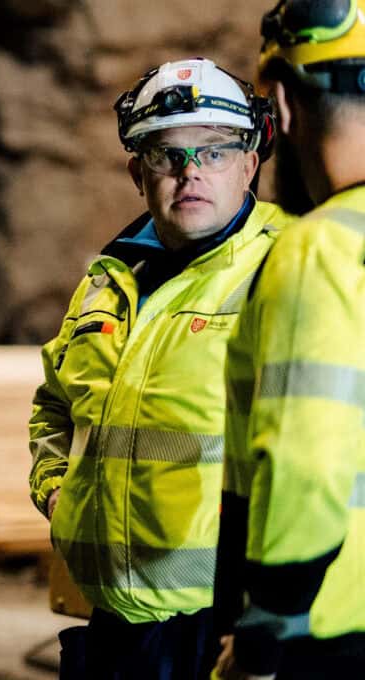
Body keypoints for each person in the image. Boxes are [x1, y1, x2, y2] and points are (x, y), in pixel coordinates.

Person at [27, 57, 293, 678]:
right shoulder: (108, 281)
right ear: (136, 173)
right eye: (165, 155)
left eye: (215, 152)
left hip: (222, 622)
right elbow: (55, 403)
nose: (189, 173)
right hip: (114, 619)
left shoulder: (284, 268)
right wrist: (55, 489)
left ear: (250, 164)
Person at [213, 1, 365, 677]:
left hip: (330, 627)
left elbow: (307, 465)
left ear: (279, 103)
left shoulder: (321, 250)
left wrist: (265, 636)